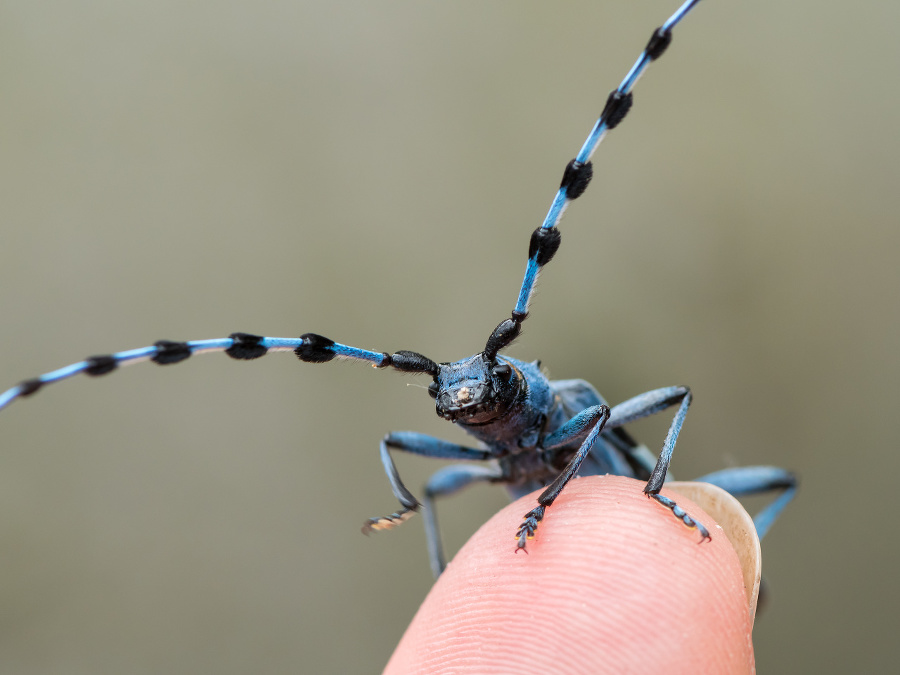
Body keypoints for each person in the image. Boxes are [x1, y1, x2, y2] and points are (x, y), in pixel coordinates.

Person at [385, 474, 757, 674]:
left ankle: (657, 489)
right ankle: (442, 588)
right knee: (432, 488)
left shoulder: (571, 403)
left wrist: (542, 506)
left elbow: (604, 414)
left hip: (633, 493)